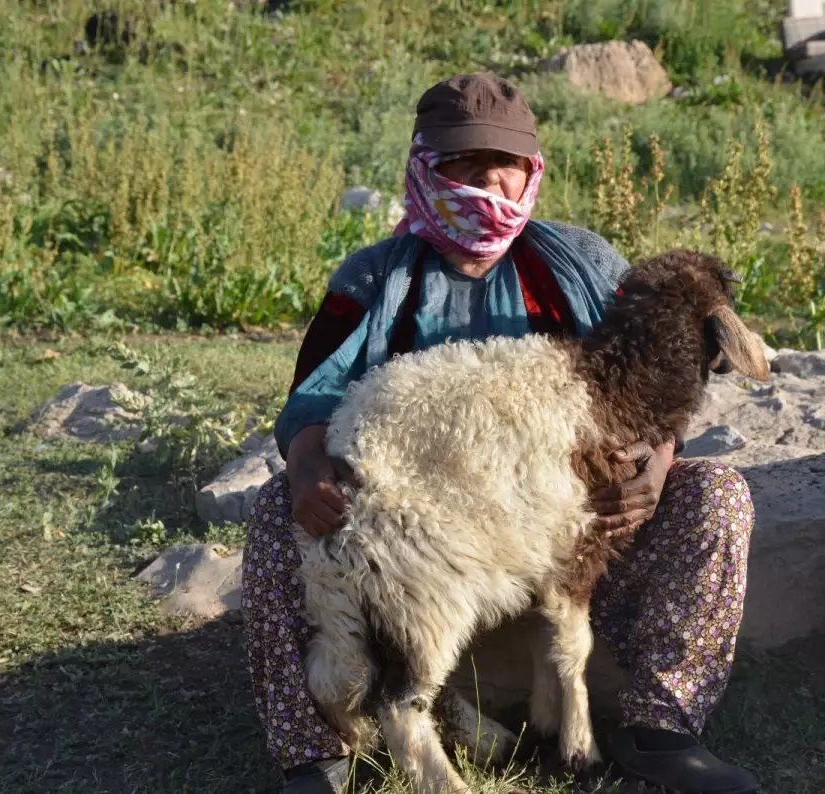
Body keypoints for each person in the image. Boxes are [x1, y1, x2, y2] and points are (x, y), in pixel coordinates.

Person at [241, 73, 761, 794]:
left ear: (532, 170)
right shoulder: (374, 280)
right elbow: (315, 398)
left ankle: (660, 728)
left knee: (717, 496)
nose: (489, 179)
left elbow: (649, 385)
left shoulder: (584, 264)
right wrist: (306, 467)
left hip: (568, 537)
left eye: (506, 163)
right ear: (424, 169)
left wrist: (658, 463)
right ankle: (318, 752)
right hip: (429, 549)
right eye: (463, 162)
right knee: (277, 510)